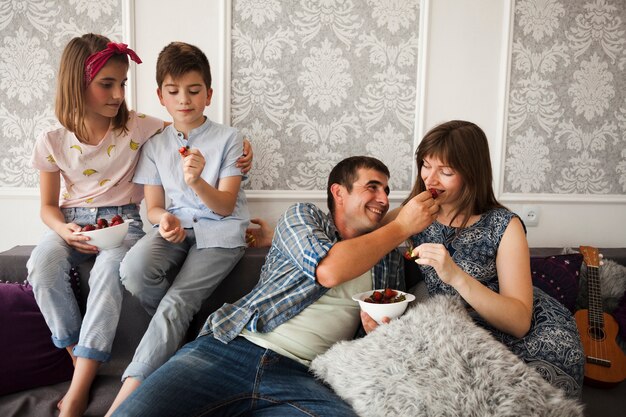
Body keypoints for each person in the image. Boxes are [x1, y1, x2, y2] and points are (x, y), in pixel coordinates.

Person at [26, 34, 252, 417]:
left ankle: (101, 398)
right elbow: (52, 206)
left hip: (162, 227)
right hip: (99, 223)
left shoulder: (150, 129)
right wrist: (66, 230)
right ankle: (83, 360)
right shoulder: (63, 140)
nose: (117, 94)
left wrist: (230, 159)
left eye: (123, 84)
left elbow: (201, 148)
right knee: (58, 267)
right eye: (107, 84)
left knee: (134, 284)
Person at [110, 156, 439, 416]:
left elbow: (385, 329)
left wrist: (374, 330)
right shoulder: (303, 217)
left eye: (386, 190)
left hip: (304, 378)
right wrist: (400, 226)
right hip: (232, 348)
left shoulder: (388, 259)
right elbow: (329, 271)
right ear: (339, 192)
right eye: (373, 187)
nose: (383, 198)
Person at [365, 120, 585, 397]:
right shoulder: (414, 212)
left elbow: (519, 322)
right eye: (426, 165)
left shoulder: (505, 226)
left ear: (471, 173)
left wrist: (455, 275)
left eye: (445, 171)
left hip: (526, 333)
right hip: (455, 332)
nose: (430, 179)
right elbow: (364, 245)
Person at [105, 42, 252, 415]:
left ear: (208, 94)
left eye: (193, 90)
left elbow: (223, 205)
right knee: (133, 270)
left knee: (176, 302)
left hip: (220, 233)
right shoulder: (155, 145)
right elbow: (153, 206)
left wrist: (198, 181)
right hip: (176, 230)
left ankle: (123, 404)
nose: (183, 99)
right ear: (160, 96)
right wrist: (162, 220)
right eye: (173, 92)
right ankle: (181, 337)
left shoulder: (230, 139)